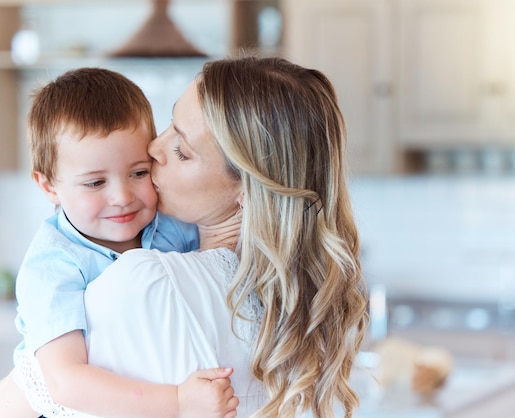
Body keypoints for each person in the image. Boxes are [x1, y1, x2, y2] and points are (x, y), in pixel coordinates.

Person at [11, 55, 369, 418]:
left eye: (181, 150)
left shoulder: (150, 278)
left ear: (247, 188)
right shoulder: (287, 297)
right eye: (167, 125)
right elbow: (62, 381)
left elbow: (26, 397)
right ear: (48, 185)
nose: (152, 149)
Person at [0, 67, 238, 418]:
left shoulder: (171, 224)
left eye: (139, 173)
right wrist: (177, 402)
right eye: (96, 183)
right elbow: (65, 382)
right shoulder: (52, 264)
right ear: (49, 186)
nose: (122, 197)